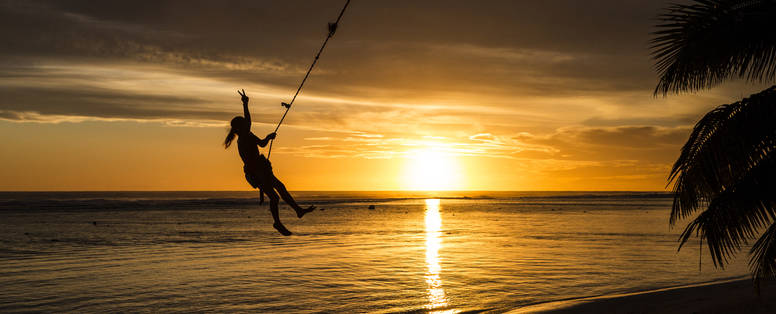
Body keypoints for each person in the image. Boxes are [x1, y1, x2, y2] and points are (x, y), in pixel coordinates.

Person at [224, 89, 315, 236]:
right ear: (240, 128)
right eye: (244, 124)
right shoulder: (244, 138)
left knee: (278, 191)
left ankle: (295, 212)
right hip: (257, 172)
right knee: (276, 194)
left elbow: (261, 143)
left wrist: (246, 104)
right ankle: (281, 220)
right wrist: (246, 105)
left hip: (259, 171)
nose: (248, 125)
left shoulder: (247, 135)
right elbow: (256, 134)